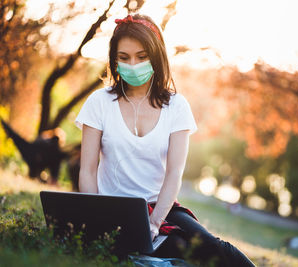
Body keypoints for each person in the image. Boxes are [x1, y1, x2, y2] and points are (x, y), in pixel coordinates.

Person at [75, 13, 255, 267]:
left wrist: (154, 223)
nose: (133, 65)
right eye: (124, 58)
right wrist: (97, 218)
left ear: (156, 57)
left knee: (211, 248)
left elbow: (174, 174)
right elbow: (88, 170)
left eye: (141, 57)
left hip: (161, 208)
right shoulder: (98, 102)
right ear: (114, 60)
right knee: (178, 251)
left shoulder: (177, 106)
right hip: (112, 208)